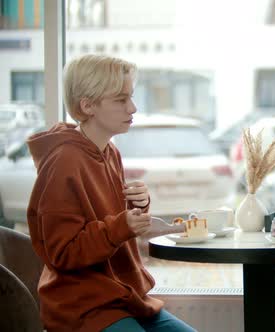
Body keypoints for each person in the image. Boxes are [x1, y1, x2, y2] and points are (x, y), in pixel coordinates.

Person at [26, 54, 195, 332]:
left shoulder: (109, 151)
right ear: (88, 105)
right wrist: (120, 225)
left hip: (123, 297)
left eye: (130, 96)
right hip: (82, 306)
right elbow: (62, 252)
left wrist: (136, 206)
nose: (133, 107)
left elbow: (110, 222)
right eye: (120, 100)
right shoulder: (64, 161)